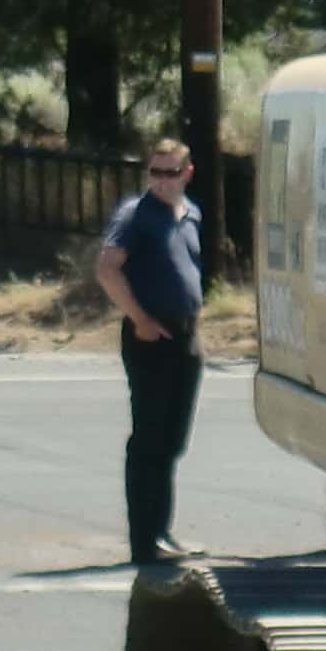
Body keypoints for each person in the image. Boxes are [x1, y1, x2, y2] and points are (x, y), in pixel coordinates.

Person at [94, 137, 207, 569]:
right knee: (149, 440)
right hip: (150, 336)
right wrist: (138, 317)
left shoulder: (190, 214)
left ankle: (163, 530)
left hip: (186, 336)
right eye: (154, 172)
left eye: (170, 173)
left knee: (174, 440)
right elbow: (107, 268)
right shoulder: (135, 216)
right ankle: (144, 540)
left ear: (186, 173)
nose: (161, 181)